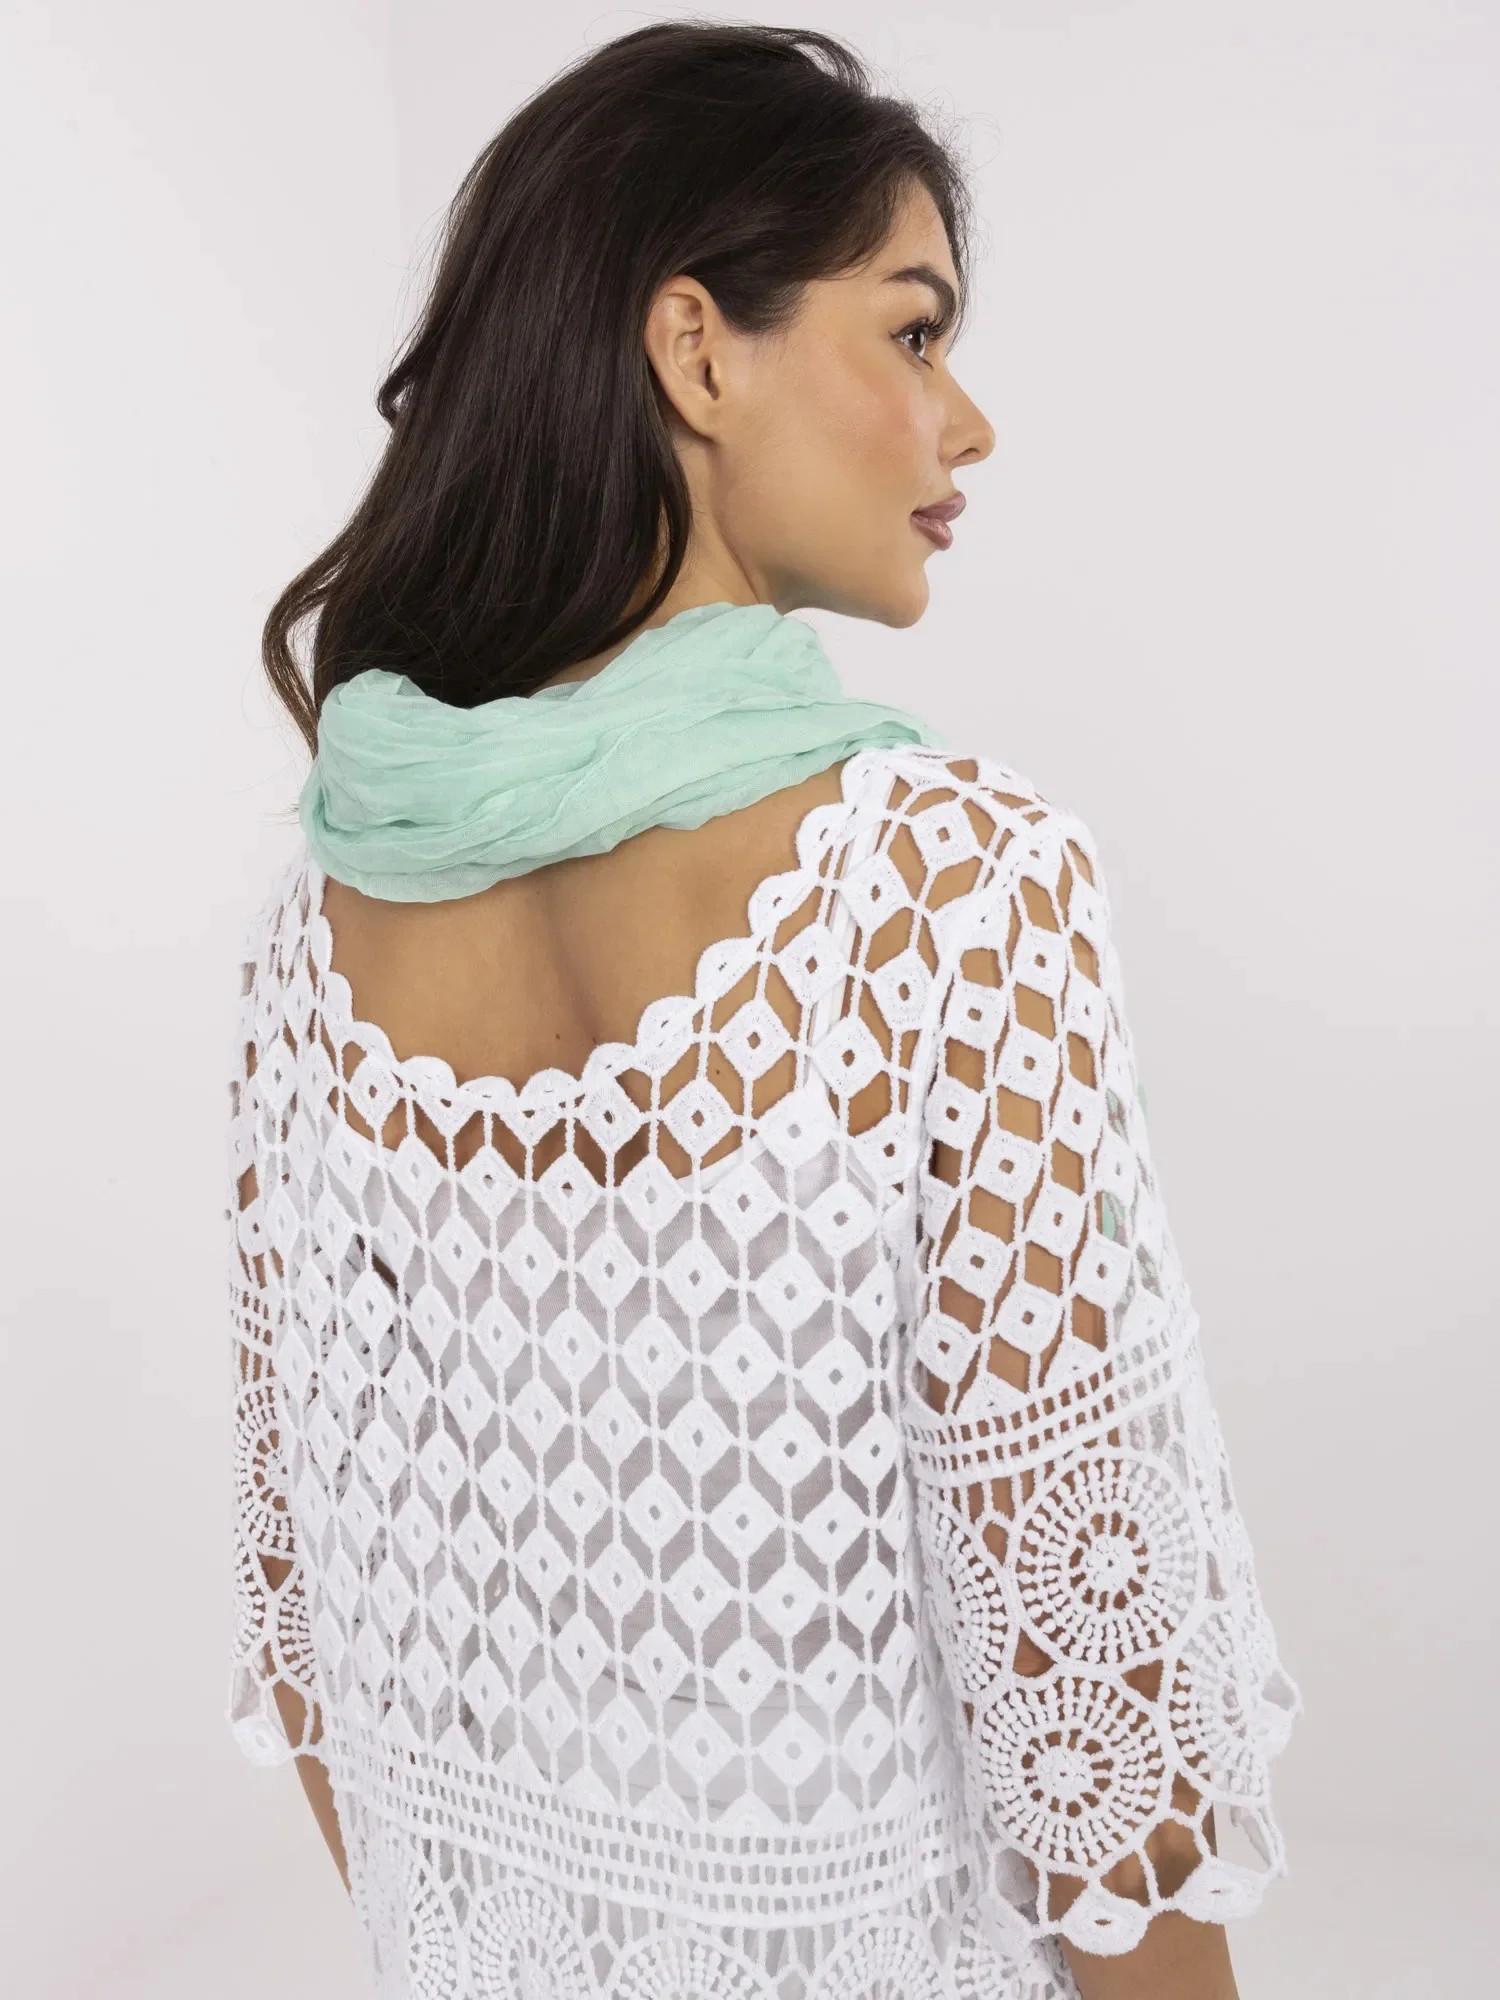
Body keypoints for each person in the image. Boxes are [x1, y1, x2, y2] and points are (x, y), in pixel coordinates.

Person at [226, 23, 1298, 2000]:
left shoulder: (321, 935)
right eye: (913, 331)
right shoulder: (952, 887)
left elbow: (316, 1629)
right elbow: (1089, 1722)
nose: (967, 422)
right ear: (696, 351)